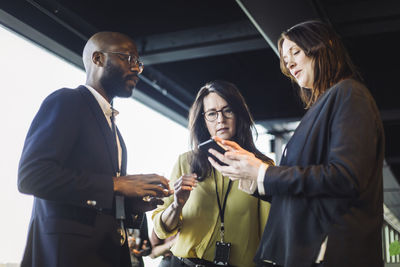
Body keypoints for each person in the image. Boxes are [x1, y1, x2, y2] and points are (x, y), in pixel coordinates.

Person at [208, 21, 384, 267]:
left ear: (323, 47)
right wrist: (253, 175)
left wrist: (263, 172)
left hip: (329, 252)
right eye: (284, 58)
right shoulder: (322, 106)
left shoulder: (349, 93)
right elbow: (306, 190)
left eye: (295, 52)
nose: (288, 63)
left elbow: (345, 177)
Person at [17, 31, 171, 267]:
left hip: (107, 254)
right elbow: (31, 177)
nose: (136, 69)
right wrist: (117, 184)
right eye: (128, 58)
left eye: (138, 63)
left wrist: (132, 205)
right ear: (97, 59)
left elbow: (100, 198)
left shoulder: (114, 130)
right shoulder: (67, 101)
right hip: (68, 256)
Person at [152, 80, 274, 267]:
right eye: (212, 113)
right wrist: (177, 205)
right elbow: (161, 231)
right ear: (203, 120)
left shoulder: (261, 166)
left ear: (238, 114)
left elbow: (270, 235)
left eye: (228, 110)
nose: (220, 120)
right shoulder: (186, 162)